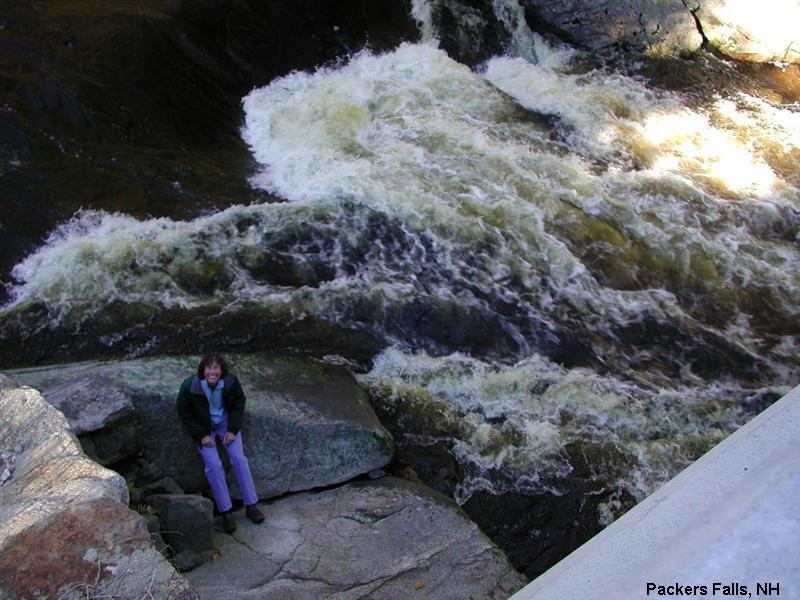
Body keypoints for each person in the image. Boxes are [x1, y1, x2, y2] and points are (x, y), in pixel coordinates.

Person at [176, 353, 265, 533]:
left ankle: (251, 505)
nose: (212, 372)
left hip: (225, 424)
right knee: (214, 465)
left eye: (216, 368)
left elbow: (239, 403)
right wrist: (201, 435)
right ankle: (226, 512)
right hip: (204, 428)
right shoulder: (190, 387)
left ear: (222, 370)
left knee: (239, 459)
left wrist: (233, 429)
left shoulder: (231, 382)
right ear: (203, 370)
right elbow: (184, 412)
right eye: (209, 368)